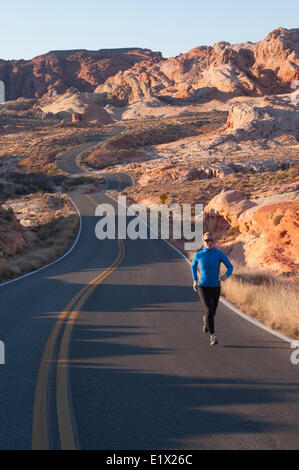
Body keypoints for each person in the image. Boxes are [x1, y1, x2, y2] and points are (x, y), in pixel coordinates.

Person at [191, 232, 233, 346]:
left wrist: (226, 275)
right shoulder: (198, 255)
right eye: (207, 241)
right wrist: (195, 280)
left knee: (212, 312)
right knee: (209, 309)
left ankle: (206, 321)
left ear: (214, 242)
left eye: (211, 241)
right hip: (203, 286)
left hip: (215, 287)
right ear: (203, 242)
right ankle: (213, 335)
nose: (209, 243)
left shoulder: (219, 254)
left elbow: (230, 266)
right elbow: (193, 266)